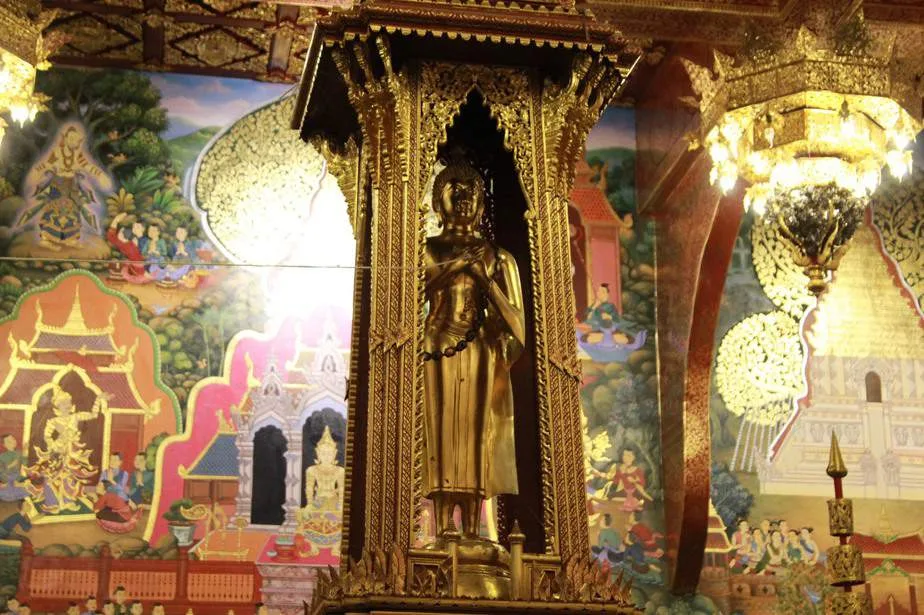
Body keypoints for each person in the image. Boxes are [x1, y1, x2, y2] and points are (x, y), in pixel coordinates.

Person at [422, 158, 525, 539]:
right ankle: (442, 524)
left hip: (479, 347)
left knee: (476, 431)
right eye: (456, 191)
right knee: (442, 429)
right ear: (438, 203)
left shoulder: (496, 256)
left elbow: (518, 323)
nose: (465, 198)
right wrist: (453, 267)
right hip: (436, 346)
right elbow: (404, 296)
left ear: (482, 206)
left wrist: (483, 278)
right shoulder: (427, 249)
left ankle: (471, 527)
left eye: (472, 193)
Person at [0, 435, 28, 502]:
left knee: (26, 487)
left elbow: (25, 464)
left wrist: (24, 452)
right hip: (7, 477)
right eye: (9, 441)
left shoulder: (19, 453)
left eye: (13, 439)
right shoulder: (2, 456)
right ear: (4, 445)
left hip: (17, 476)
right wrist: (11, 465)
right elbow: (1, 470)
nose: (12, 442)